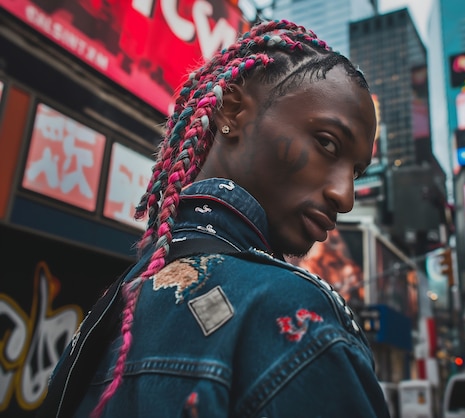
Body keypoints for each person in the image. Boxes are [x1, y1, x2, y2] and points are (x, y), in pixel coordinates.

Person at [41, 19, 389, 418]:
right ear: (233, 111)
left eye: (356, 173)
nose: (344, 197)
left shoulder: (110, 311)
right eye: (327, 143)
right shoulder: (289, 311)